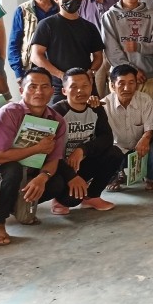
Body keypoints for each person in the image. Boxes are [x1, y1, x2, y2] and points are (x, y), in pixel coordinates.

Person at [0, 68, 82, 246]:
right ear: (21, 90)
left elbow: (54, 159)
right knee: (13, 169)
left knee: (56, 181)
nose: (39, 92)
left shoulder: (57, 120)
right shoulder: (9, 113)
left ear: (52, 91)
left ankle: (16, 205)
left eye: (45, 87)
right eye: (32, 86)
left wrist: (42, 178)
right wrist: (37, 148)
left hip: (30, 173)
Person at [50, 69, 122, 214]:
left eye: (85, 86)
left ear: (91, 87)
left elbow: (107, 138)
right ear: (64, 91)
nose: (80, 91)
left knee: (115, 153)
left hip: (83, 163)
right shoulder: (57, 112)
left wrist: (82, 149)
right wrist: (70, 176)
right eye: (74, 87)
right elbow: (50, 152)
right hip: (60, 168)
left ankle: (92, 197)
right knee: (71, 200)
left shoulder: (95, 108)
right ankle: (58, 199)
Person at [30, 0, 105, 104]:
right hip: (59, 88)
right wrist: (61, 75)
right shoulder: (47, 25)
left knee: (92, 120)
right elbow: (36, 56)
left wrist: (91, 72)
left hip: (86, 87)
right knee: (59, 121)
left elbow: (98, 56)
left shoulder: (89, 27)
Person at [102, 0, 153, 100]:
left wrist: (139, 47)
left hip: (147, 76)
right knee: (119, 115)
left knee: (147, 116)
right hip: (120, 78)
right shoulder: (109, 16)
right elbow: (111, 50)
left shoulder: (152, 15)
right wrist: (132, 70)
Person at [103, 64, 153, 189]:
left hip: (140, 147)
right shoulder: (104, 105)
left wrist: (145, 139)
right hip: (118, 149)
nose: (127, 88)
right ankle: (115, 175)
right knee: (109, 150)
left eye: (131, 83)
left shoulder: (145, 100)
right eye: (121, 83)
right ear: (112, 85)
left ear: (137, 84)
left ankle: (151, 177)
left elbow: (150, 128)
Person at [8, 0, 59, 84]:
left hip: (56, 67)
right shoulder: (22, 10)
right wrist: (18, 72)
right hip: (31, 67)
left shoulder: (60, 10)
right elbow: (14, 43)